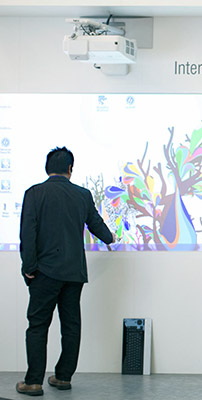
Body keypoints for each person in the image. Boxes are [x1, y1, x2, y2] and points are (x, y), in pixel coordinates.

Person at [16, 147, 114, 396]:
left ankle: (33, 382)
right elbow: (96, 224)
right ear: (70, 169)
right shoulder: (82, 195)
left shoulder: (34, 193)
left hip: (44, 272)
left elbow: (27, 233)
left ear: (47, 168)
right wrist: (110, 238)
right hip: (73, 273)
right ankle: (63, 377)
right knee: (71, 326)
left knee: (38, 326)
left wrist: (28, 267)